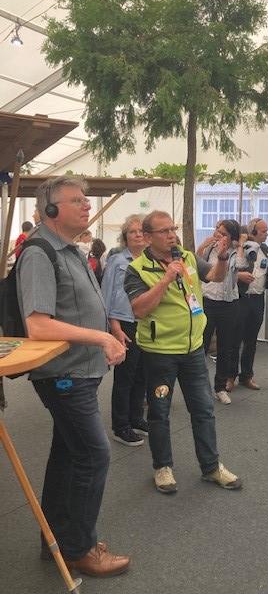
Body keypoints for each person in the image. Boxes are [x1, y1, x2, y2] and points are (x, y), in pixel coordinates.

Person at [16, 175, 130, 577]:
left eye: (85, 199)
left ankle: (57, 542)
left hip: (79, 371)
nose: (87, 205)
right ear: (51, 210)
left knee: (68, 455)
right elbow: (38, 325)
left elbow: (80, 303)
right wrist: (101, 337)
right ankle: (80, 549)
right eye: (77, 200)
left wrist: (109, 326)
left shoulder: (69, 249)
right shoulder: (39, 253)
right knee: (93, 455)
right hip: (64, 375)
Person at [124, 211, 242, 494]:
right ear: (148, 237)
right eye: (164, 231)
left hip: (193, 350)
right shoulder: (137, 268)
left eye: (173, 229)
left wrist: (222, 258)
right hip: (159, 353)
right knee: (159, 412)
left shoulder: (187, 257)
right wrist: (166, 279)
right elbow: (139, 309)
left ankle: (211, 467)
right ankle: (162, 467)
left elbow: (214, 277)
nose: (171, 235)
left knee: (203, 410)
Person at [101, 215, 147, 446]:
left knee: (142, 375)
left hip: (146, 324)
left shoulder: (151, 260)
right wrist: (115, 328)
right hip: (125, 324)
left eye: (141, 231)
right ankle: (120, 426)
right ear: (125, 237)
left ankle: (136, 418)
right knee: (125, 377)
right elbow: (107, 295)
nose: (137, 235)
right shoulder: (117, 261)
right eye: (132, 232)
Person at [231, 217, 268, 392]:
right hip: (241, 298)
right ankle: (230, 376)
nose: (267, 234)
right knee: (235, 340)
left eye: (267, 231)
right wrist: (239, 276)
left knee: (251, 340)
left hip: (257, 299)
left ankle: (246, 376)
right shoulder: (241, 248)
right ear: (253, 232)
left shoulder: (267, 250)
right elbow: (229, 270)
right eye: (263, 231)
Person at [200, 219, 245, 405]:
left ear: (232, 236)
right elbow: (195, 264)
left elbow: (240, 265)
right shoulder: (209, 249)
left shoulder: (236, 251)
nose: (218, 235)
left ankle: (220, 387)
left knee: (225, 347)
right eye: (217, 231)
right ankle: (200, 388)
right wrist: (203, 245)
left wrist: (238, 245)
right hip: (208, 301)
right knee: (201, 346)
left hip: (229, 303)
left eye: (223, 233)